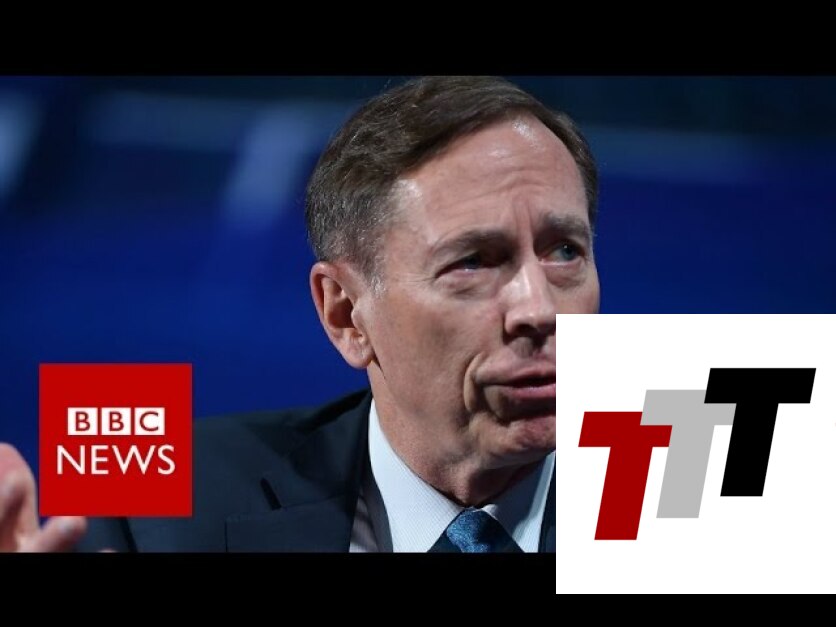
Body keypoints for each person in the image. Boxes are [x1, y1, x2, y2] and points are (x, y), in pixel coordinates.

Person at [0, 76, 600, 552]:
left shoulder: (661, 468)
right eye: (472, 262)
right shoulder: (151, 502)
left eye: (565, 252)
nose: (539, 308)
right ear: (345, 315)